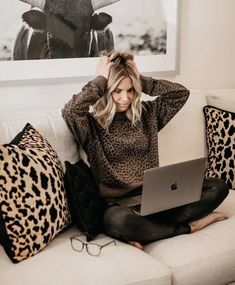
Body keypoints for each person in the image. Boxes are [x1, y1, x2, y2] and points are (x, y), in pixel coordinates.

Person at [62, 50, 229, 249]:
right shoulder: (91, 125)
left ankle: (147, 231)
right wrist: (101, 78)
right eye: (117, 91)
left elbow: (180, 94)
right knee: (117, 221)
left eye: (131, 90)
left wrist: (138, 77)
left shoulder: (147, 115)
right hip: (119, 206)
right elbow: (71, 110)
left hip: (157, 198)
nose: (125, 98)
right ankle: (188, 227)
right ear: (106, 90)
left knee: (218, 187)